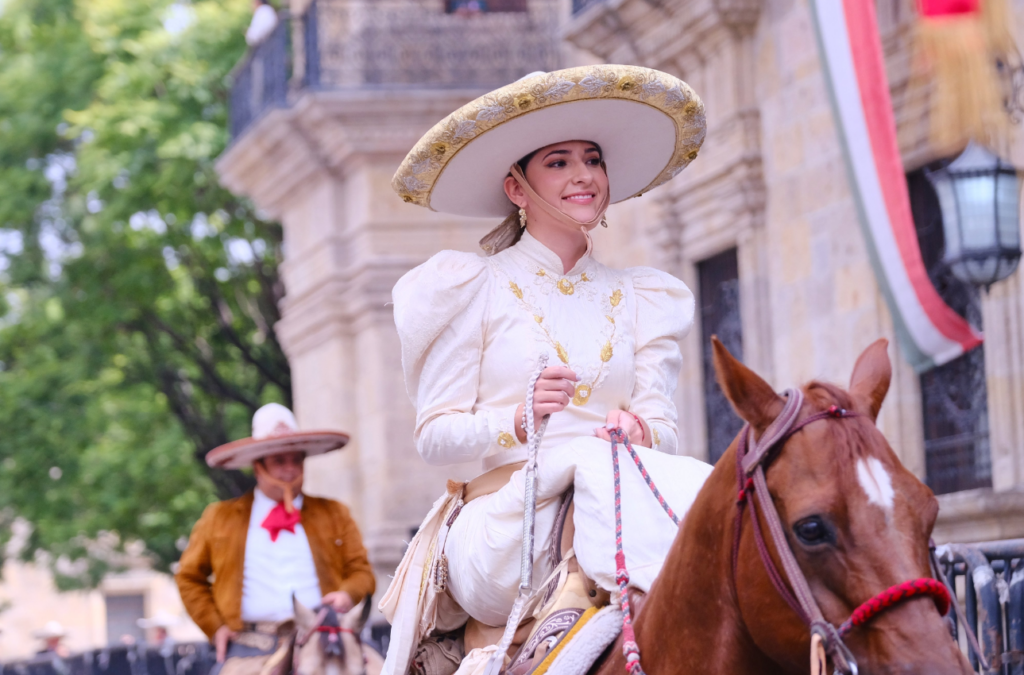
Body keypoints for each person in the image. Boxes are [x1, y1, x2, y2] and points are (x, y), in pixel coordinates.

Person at [381, 65, 714, 675]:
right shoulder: (471, 287)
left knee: (714, 495)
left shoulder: (646, 298)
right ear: (517, 188)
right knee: (593, 467)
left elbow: (665, 428)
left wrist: (639, 433)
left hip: (620, 493)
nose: (584, 175)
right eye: (558, 162)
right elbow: (434, 437)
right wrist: (518, 417)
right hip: (502, 527)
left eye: (592, 159)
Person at [175, 403, 375, 673]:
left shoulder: (334, 513)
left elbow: (362, 571)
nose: (289, 469)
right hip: (253, 645)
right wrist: (215, 626)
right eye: (279, 461)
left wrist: (347, 595)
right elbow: (188, 577)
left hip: (325, 637)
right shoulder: (219, 517)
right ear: (258, 467)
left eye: (296, 460)